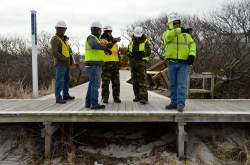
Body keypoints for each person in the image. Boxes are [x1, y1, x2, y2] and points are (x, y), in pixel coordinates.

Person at [162, 14, 196, 112]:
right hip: (171, 63)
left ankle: (181, 103)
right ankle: (173, 103)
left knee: (182, 84)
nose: (177, 24)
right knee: (173, 84)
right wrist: (181, 30)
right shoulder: (166, 34)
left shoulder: (186, 35)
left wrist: (192, 55)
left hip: (183, 64)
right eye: (175, 23)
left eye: (178, 22)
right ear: (170, 24)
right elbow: (169, 35)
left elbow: (192, 44)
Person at [84, 21, 112, 109]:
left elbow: (97, 49)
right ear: (96, 30)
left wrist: (105, 51)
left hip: (94, 65)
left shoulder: (96, 39)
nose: (101, 32)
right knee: (95, 84)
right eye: (100, 30)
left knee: (92, 84)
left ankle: (88, 103)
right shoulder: (91, 38)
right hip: (94, 65)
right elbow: (94, 45)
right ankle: (94, 103)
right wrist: (105, 47)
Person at [50, 20, 75, 104]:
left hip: (66, 64)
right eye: (62, 29)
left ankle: (66, 95)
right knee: (59, 81)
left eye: (65, 29)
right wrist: (64, 59)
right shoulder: (55, 39)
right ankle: (58, 97)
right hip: (60, 64)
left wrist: (71, 60)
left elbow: (68, 51)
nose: (64, 31)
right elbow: (54, 52)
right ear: (57, 29)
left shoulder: (64, 39)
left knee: (67, 80)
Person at [127, 26, 151, 104]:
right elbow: (128, 51)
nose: (137, 38)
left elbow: (148, 52)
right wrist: (129, 54)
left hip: (141, 64)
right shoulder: (131, 41)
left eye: (139, 36)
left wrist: (140, 55)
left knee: (142, 81)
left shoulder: (145, 41)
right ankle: (137, 96)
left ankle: (144, 98)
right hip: (133, 64)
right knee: (135, 81)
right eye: (136, 36)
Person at [100, 24, 121, 104]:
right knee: (105, 83)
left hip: (115, 64)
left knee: (116, 83)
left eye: (111, 31)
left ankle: (116, 97)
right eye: (108, 31)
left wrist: (119, 62)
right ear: (104, 31)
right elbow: (106, 47)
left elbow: (117, 53)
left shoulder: (114, 40)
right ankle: (105, 98)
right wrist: (114, 41)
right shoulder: (102, 40)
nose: (110, 32)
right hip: (106, 65)